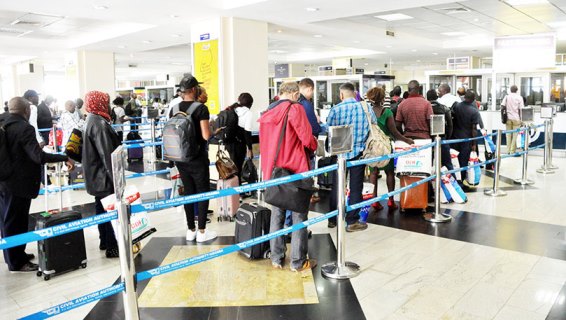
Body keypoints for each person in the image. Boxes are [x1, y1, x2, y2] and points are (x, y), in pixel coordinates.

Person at [0, 97, 72, 272]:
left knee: (7, 220)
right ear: (26, 110)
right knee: (15, 221)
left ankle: (15, 254)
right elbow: (38, 157)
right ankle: (16, 262)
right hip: (18, 183)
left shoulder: (3, 120)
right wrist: (64, 157)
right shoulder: (24, 127)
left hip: (4, 181)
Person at [259, 81, 317, 272]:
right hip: (296, 170)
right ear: (293, 94)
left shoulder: (268, 112)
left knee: (277, 215)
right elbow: (307, 139)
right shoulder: (295, 109)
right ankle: (297, 262)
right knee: (299, 216)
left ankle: (276, 258)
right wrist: (314, 145)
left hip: (274, 171)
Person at [173, 75, 217, 243]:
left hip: (180, 157)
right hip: (197, 158)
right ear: (193, 90)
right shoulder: (200, 109)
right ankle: (202, 232)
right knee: (202, 193)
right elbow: (206, 135)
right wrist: (213, 130)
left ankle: (190, 230)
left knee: (188, 193)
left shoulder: (174, 108)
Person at [326, 82, 370, 232]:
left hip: (339, 155)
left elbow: (329, 130)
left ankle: (333, 219)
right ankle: (352, 221)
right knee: (356, 187)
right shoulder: (365, 107)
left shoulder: (335, 110)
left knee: (337, 187)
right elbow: (373, 125)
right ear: (355, 93)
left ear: (341, 95)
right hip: (359, 153)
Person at [82, 91, 121, 258]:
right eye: (106, 102)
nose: (108, 105)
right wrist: (117, 181)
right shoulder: (99, 123)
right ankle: (112, 246)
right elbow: (107, 155)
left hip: (95, 175)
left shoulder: (91, 119)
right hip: (103, 177)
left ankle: (104, 241)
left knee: (101, 209)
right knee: (110, 210)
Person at [366, 87, 414, 210]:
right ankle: (391, 201)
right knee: (389, 173)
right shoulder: (387, 112)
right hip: (385, 147)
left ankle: (374, 201)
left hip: (372, 147)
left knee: (373, 173)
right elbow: (395, 132)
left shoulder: (367, 112)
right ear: (383, 98)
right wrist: (406, 140)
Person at [452, 90, 482, 186]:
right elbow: (474, 129)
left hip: (454, 138)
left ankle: (455, 180)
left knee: (454, 161)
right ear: (473, 99)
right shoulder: (474, 111)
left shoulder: (456, 106)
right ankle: (461, 182)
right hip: (466, 140)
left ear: (464, 97)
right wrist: (474, 143)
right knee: (463, 161)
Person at [224, 93, 254, 183]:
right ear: (250, 103)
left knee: (231, 168)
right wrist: (250, 148)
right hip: (239, 144)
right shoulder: (248, 113)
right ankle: (238, 192)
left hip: (228, 143)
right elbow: (247, 132)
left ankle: (232, 191)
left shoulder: (232, 109)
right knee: (238, 168)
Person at [426, 89, 453, 170]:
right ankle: (451, 180)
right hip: (442, 137)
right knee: (447, 163)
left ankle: (428, 182)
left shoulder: (424, 108)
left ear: (427, 98)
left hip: (427, 139)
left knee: (427, 163)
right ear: (437, 97)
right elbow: (450, 125)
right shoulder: (444, 108)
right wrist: (447, 138)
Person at [501, 85, 524, 154]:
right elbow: (521, 109)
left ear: (510, 90)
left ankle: (508, 150)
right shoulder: (519, 97)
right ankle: (512, 151)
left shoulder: (507, 97)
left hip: (508, 118)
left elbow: (502, 106)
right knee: (515, 135)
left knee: (508, 134)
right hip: (516, 118)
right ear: (517, 90)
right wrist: (521, 119)